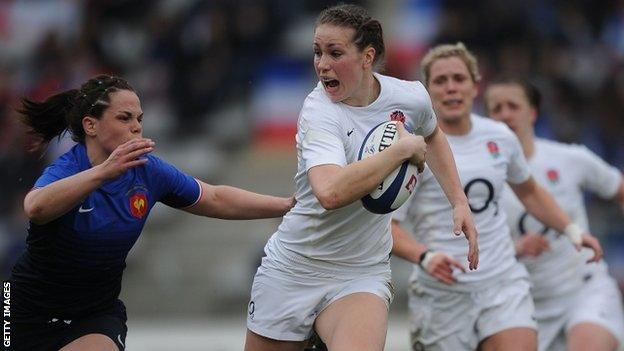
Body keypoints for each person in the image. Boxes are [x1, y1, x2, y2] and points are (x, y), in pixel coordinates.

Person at [243, 5, 478, 351]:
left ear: (367, 57)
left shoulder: (410, 96)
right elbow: (330, 193)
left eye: (335, 53)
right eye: (317, 52)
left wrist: (458, 200)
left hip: (361, 270)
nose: (322, 64)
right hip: (296, 267)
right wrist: (398, 151)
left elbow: (432, 135)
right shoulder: (318, 111)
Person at [8, 74, 296, 351]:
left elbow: (216, 197)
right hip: (23, 310)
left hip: (93, 315)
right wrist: (103, 173)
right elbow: (35, 208)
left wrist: (285, 205)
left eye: (139, 119)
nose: (136, 127)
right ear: (90, 126)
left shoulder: (147, 171)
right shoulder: (69, 168)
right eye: (124, 118)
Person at [390, 43, 603, 351]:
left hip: (502, 283)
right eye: (440, 81)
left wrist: (572, 230)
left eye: (459, 79)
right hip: (442, 293)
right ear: (427, 91)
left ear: (475, 86)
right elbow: (388, 227)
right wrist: (425, 257)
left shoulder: (500, 137)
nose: (451, 88)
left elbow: (529, 191)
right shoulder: (411, 148)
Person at [485, 75, 624, 351]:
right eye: (496, 109)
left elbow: (618, 188)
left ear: (532, 112)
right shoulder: (480, 179)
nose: (505, 115)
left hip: (584, 290)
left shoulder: (570, 159)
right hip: (522, 304)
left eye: (513, 106)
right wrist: (515, 248)